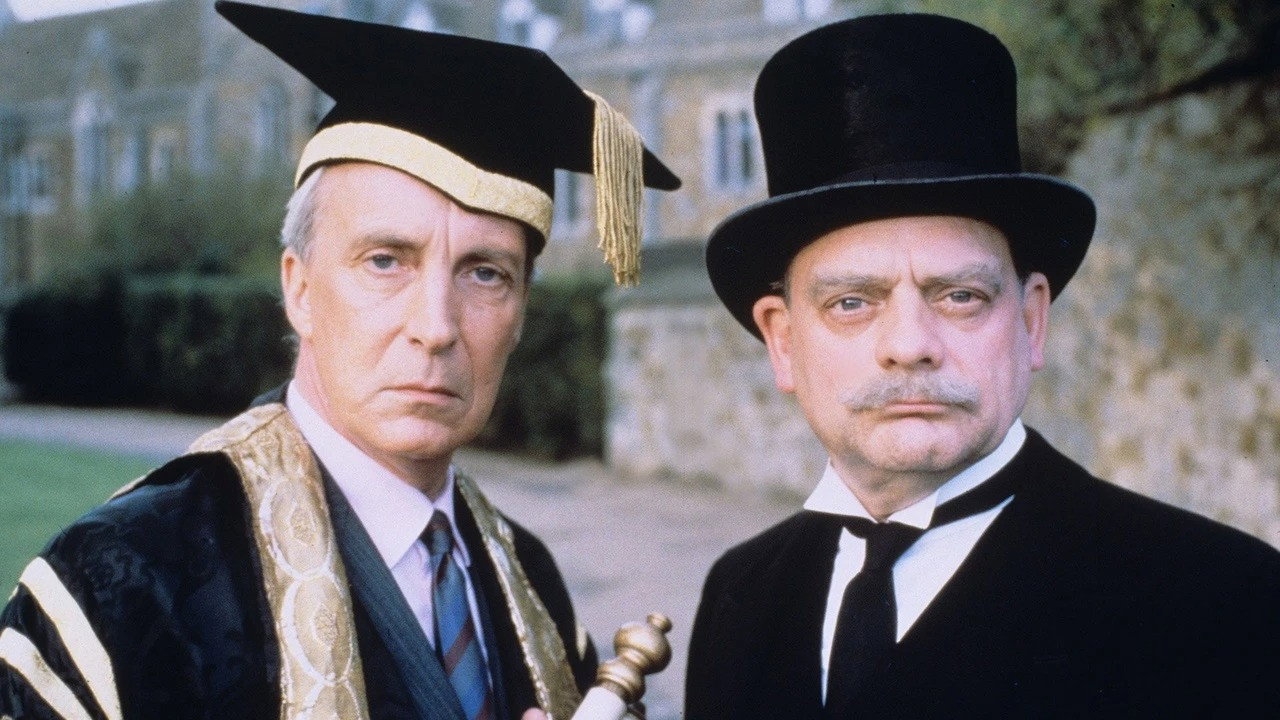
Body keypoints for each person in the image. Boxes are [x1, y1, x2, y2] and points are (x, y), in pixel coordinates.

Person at [0, 3, 679, 719]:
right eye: (386, 261)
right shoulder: (122, 589)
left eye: (486, 274)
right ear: (299, 289)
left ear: (520, 313)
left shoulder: (529, 582)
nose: (436, 327)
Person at [685, 13, 1280, 719]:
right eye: (852, 303)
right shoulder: (738, 595)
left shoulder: (1223, 602)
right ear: (782, 341)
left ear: (1031, 321)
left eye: (960, 296)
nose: (910, 344)